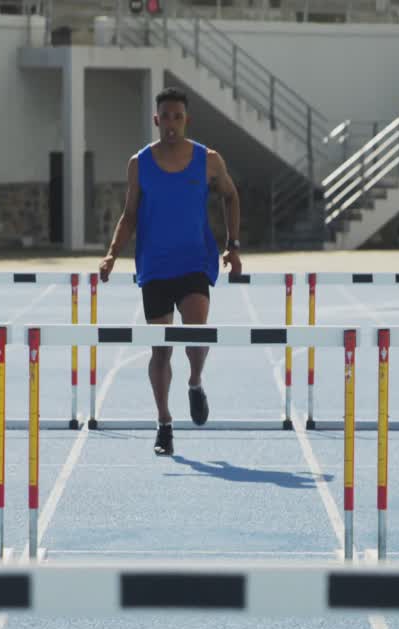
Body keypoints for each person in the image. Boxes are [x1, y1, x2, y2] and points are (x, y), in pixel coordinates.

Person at [97, 86, 242, 457]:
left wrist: (233, 245)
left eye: (179, 117)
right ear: (156, 120)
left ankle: (194, 382)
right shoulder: (139, 163)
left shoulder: (208, 160)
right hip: (155, 266)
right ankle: (164, 423)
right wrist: (112, 254)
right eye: (167, 117)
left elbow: (231, 195)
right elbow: (130, 216)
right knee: (160, 351)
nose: (172, 124)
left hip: (194, 261)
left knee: (197, 331)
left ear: (186, 119)